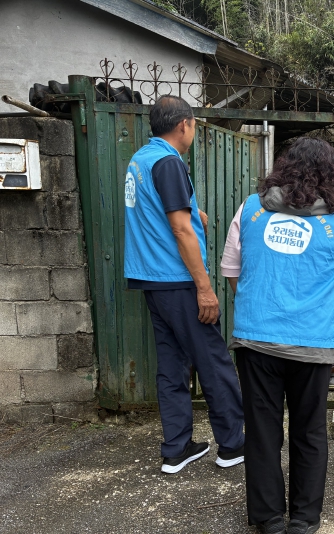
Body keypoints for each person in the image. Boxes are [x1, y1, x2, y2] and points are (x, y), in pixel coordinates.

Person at [221, 138, 334, 534]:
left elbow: (231, 270)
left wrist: (261, 308)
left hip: (256, 340)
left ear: (283, 168)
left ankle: (268, 519)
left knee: (262, 431)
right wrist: (315, 313)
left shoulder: (250, 209)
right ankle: (304, 519)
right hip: (313, 345)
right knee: (310, 431)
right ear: (332, 175)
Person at [123, 95, 245, 474]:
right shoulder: (168, 162)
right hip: (177, 279)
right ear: (184, 125)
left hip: (151, 280)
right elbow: (178, 228)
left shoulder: (141, 159)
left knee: (171, 365)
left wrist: (195, 214)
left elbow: (159, 211)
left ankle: (176, 448)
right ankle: (233, 444)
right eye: (193, 125)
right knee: (214, 361)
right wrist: (204, 288)